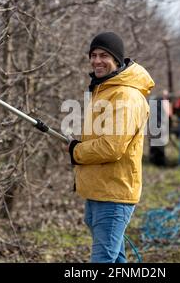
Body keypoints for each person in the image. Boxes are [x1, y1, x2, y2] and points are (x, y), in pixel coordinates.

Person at [66, 31, 155, 263]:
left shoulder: (126, 96)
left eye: (103, 55)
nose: (97, 61)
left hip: (115, 193)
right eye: (93, 55)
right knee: (114, 260)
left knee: (103, 260)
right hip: (99, 189)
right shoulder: (104, 89)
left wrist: (76, 151)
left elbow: (111, 147)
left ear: (117, 60)